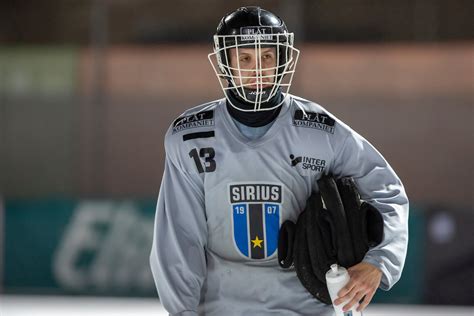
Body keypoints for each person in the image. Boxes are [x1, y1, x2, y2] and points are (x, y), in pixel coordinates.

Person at [150, 6, 408, 316]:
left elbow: (387, 190)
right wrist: (182, 312)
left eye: (267, 57)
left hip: (310, 308)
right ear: (225, 62)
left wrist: (379, 262)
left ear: (283, 59)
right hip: (223, 309)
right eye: (244, 58)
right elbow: (180, 235)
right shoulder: (191, 136)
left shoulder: (320, 131)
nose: (257, 69)